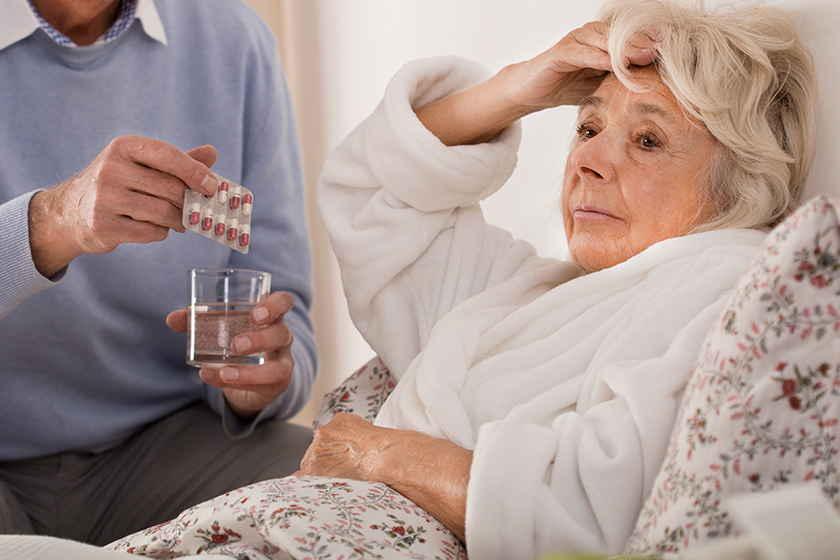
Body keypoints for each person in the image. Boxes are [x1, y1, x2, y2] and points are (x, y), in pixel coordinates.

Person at [68, 0, 817, 558]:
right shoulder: (535, 293)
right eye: (587, 127)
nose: (588, 159)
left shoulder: (717, 286)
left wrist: (379, 454)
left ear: (737, 180)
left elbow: (592, 516)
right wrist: (522, 86)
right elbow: (372, 192)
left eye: (647, 139)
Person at [0, 0, 317, 547]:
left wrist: (260, 378)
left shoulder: (233, 37)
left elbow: (285, 307)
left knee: (349, 496)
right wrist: (51, 221)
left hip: (168, 448)